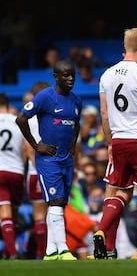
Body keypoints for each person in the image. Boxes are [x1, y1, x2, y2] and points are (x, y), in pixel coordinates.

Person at [93, 27, 137, 260]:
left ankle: (102, 230)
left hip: (119, 139)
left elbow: (104, 114)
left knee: (120, 192)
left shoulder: (106, 74)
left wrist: (110, 142)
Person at [15, 60, 82, 261]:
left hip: (66, 160)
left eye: (72, 75)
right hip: (48, 160)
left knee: (59, 205)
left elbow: (76, 124)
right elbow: (21, 118)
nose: (70, 79)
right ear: (55, 77)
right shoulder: (45, 97)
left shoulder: (76, 100)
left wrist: (72, 144)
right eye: (65, 75)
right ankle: (63, 250)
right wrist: (37, 146)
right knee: (56, 201)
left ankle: (50, 251)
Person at [24, 81, 51, 259]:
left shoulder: (29, 119)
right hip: (50, 172)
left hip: (35, 173)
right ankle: (50, 252)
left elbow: (28, 149)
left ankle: (43, 254)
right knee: (53, 214)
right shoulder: (52, 116)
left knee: (40, 216)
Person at [0, 93, 25, 259]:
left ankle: (13, 252)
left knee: (5, 211)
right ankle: (10, 251)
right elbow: (26, 148)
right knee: (14, 211)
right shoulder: (18, 121)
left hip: (0, 171)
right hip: (17, 171)